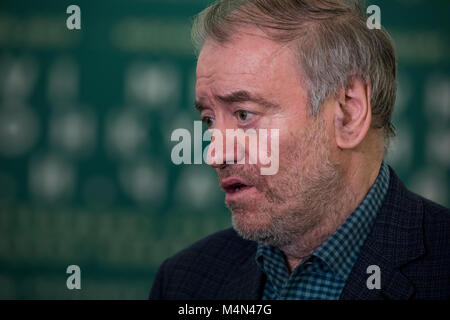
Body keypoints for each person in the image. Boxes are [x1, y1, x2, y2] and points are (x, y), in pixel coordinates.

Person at [150, 0, 450, 300]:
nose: (215, 155)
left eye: (244, 115)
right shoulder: (183, 282)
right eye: (209, 120)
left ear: (347, 114)